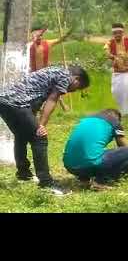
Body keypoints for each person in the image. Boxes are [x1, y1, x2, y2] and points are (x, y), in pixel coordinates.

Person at [0, 65, 90, 195]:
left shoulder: (55, 70)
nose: (73, 91)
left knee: (21, 135)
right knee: (39, 138)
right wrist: (41, 125)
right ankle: (46, 182)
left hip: (4, 100)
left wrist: (34, 120)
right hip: (18, 102)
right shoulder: (65, 76)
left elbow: (34, 98)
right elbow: (52, 100)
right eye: (78, 87)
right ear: (76, 79)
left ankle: (23, 174)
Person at [63, 109, 128, 191]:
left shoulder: (87, 120)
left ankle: (84, 179)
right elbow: (124, 146)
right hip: (90, 163)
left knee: (92, 153)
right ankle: (100, 182)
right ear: (118, 118)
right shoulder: (114, 121)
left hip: (70, 166)